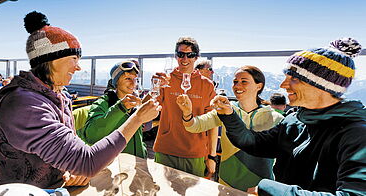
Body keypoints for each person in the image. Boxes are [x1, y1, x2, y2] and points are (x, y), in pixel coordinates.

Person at [0, 11, 161, 188]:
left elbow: (65, 152)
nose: (78, 67)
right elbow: (87, 161)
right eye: (74, 58)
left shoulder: (59, 95)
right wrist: (137, 118)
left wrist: (67, 167)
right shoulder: (23, 105)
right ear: (51, 59)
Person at [208, 38, 365, 195]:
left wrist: (271, 190)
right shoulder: (294, 120)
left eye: (294, 79)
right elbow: (253, 142)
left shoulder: (356, 134)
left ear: (321, 86)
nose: (283, 85)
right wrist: (228, 114)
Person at [177, 65, 283, 191]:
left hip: (260, 187)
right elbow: (194, 126)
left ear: (259, 86)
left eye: (244, 82)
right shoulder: (224, 111)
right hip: (226, 182)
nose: (237, 86)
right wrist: (187, 112)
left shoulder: (276, 119)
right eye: (235, 82)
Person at [151, 37, 217, 177]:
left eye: (190, 55)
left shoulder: (206, 85)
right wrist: (155, 87)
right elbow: (150, 110)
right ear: (176, 56)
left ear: (196, 57)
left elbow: (213, 123)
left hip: (194, 152)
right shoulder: (166, 80)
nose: (184, 58)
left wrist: (211, 156)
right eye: (180, 54)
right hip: (166, 149)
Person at [79, 60, 147, 158]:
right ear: (116, 82)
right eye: (128, 78)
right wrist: (120, 108)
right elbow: (91, 136)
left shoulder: (135, 104)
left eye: (135, 79)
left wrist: (143, 151)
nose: (133, 84)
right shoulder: (103, 103)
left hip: (137, 163)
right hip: (115, 165)